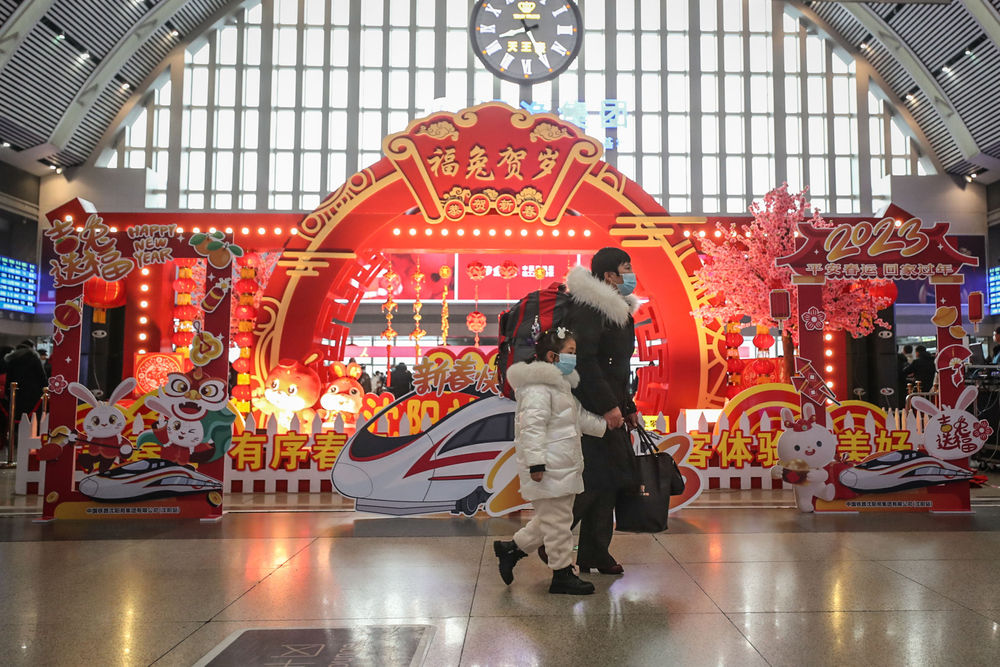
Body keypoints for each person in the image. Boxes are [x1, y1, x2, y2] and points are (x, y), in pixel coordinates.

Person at [493, 327, 607, 595]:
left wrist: (606, 425)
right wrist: (536, 464)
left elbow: (576, 418)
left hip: (563, 464)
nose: (573, 358)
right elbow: (531, 427)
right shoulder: (538, 387)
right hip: (548, 467)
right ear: (552, 356)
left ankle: (511, 549)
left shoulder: (560, 385)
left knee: (553, 520)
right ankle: (562, 573)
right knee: (558, 523)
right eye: (570, 352)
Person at [562, 247, 639, 575]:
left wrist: (627, 405)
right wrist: (608, 406)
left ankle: (595, 552)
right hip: (589, 410)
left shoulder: (617, 310)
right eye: (626, 269)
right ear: (609, 275)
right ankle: (534, 541)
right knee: (594, 480)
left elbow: (618, 368)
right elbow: (584, 362)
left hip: (610, 409)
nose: (631, 276)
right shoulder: (591, 309)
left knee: (607, 480)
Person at [2, 340, 47, 437]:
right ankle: (31, 436)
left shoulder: (12, 359)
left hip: (16, 394)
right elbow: (42, 377)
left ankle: (16, 437)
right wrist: (45, 389)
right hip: (33, 394)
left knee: (17, 416)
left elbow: (8, 378)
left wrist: (7, 392)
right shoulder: (34, 358)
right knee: (32, 417)